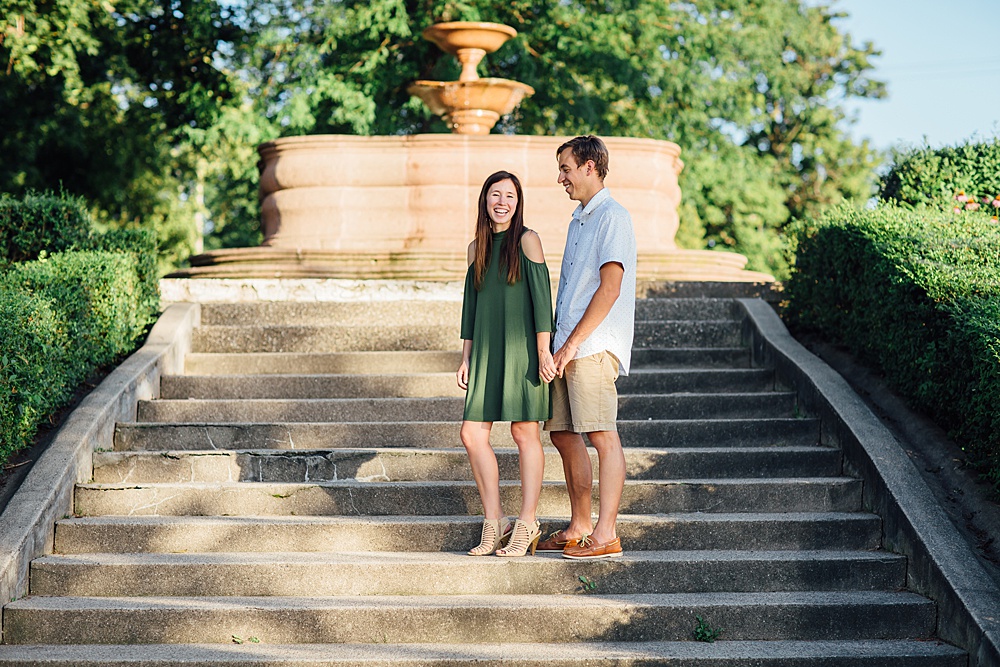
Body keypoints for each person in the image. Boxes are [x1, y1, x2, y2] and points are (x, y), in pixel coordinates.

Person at [535, 135, 636, 561]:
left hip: (592, 346)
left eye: (566, 168)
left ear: (590, 166)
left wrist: (573, 344)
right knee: (561, 433)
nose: (561, 177)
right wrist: (557, 345)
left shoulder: (613, 216)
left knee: (601, 434)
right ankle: (579, 526)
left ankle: (606, 532)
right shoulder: (579, 219)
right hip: (565, 345)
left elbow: (610, 288)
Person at [457, 170, 557, 557]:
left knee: (524, 434)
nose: (502, 202)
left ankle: (528, 521)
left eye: (510, 196)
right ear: (484, 200)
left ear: (518, 203)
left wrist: (544, 352)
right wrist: (465, 358)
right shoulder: (475, 248)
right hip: (485, 352)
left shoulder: (528, 241)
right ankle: (494, 521)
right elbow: (471, 308)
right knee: (471, 434)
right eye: (495, 195)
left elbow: (541, 300)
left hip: (523, 352)